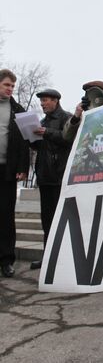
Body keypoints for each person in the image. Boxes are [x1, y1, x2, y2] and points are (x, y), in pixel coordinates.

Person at [30, 89, 72, 270]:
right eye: (41, 102)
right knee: (46, 221)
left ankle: (62, 258)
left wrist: (46, 132)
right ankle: (48, 257)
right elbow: (41, 147)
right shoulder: (43, 121)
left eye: (45, 100)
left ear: (56, 100)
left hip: (59, 176)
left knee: (59, 220)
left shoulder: (66, 118)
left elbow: (67, 139)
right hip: (45, 176)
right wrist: (31, 138)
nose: (43, 104)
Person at [0, 69, 29, 278]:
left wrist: (22, 168)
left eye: (12, 86)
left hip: (7, 171)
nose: (10, 89)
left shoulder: (18, 109)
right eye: (6, 85)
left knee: (6, 216)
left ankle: (7, 260)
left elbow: (23, 143)